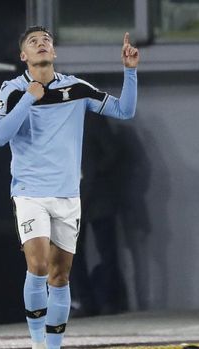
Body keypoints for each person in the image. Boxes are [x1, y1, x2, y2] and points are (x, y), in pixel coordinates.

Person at [0, 26, 138, 349]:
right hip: (30, 193)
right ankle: (37, 344)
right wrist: (29, 98)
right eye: (34, 41)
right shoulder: (13, 90)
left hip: (68, 196)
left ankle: (54, 347)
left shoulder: (77, 88)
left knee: (60, 276)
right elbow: (0, 136)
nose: (41, 44)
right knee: (39, 264)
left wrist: (130, 72)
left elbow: (125, 110)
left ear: (54, 53)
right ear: (23, 56)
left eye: (46, 41)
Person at [70, 115, 127, 317]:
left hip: (98, 199)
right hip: (72, 198)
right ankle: (86, 302)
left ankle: (110, 301)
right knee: (73, 254)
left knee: (107, 251)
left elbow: (113, 152)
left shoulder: (92, 120)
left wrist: (94, 171)